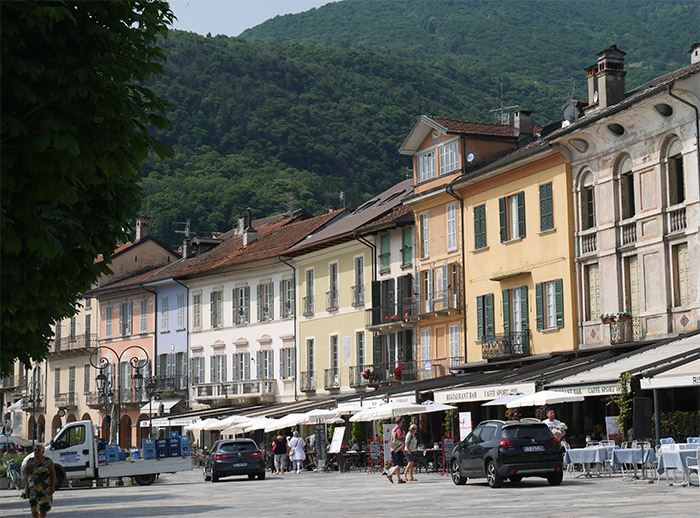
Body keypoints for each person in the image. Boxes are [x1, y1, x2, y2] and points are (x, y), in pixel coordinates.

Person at [22, 444, 56, 518]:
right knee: (34, 507)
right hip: (33, 488)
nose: (36, 452)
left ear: (43, 452)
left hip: (44, 488)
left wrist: (53, 486)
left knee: (43, 507)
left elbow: (52, 473)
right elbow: (24, 473)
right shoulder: (30, 461)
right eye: (35, 450)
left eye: (39, 450)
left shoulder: (48, 461)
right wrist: (26, 468)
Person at [385, 416, 407, 483]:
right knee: (400, 464)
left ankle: (399, 479)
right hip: (398, 448)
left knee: (396, 465)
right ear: (400, 422)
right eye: (402, 422)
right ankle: (390, 475)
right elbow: (398, 437)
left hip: (393, 448)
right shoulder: (398, 429)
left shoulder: (393, 429)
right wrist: (403, 434)